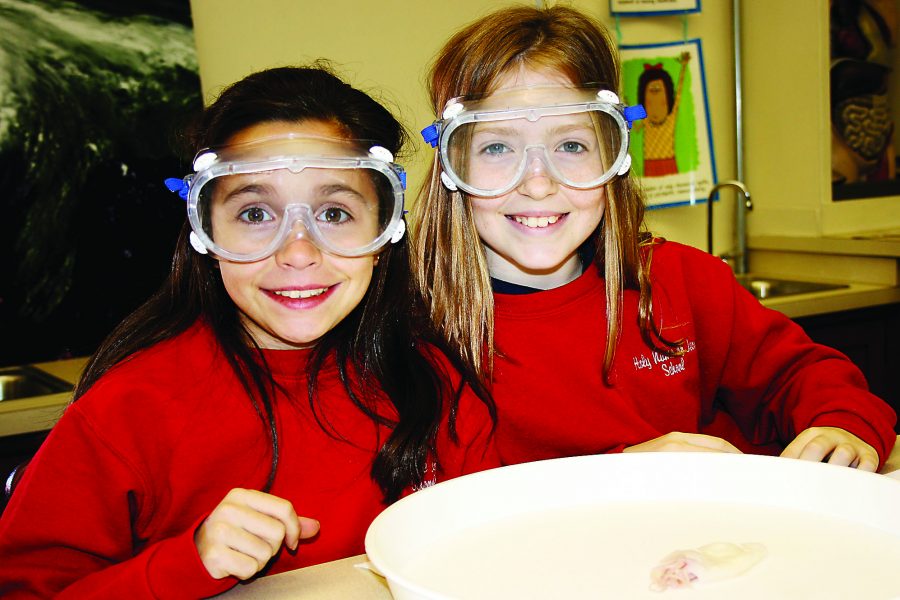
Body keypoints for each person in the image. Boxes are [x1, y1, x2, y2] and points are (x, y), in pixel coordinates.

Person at [0, 65, 497, 598]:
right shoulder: (128, 410)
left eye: (334, 212)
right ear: (206, 232)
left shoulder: (434, 380)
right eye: (257, 213)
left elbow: (489, 557)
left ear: (383, 232)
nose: (298, 252)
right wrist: (184, 564)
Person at [412, 6, 896, 472]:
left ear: (614, 154)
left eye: (572, 145)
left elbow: (803, 376)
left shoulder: (683, 282)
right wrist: (619, 477)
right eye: (497, 146)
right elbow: (450, 502)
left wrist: (842, 425)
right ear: (452, 164)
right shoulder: (413, 329)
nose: (538, 183)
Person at [634, 52, 690, 177]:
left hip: (669, 162)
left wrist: (684, 66)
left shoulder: (671, 116)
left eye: (659, 93)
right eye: (651, 95)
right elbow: (632, 126)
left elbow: (679, 90)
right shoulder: (643, 117)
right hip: (649, 164)